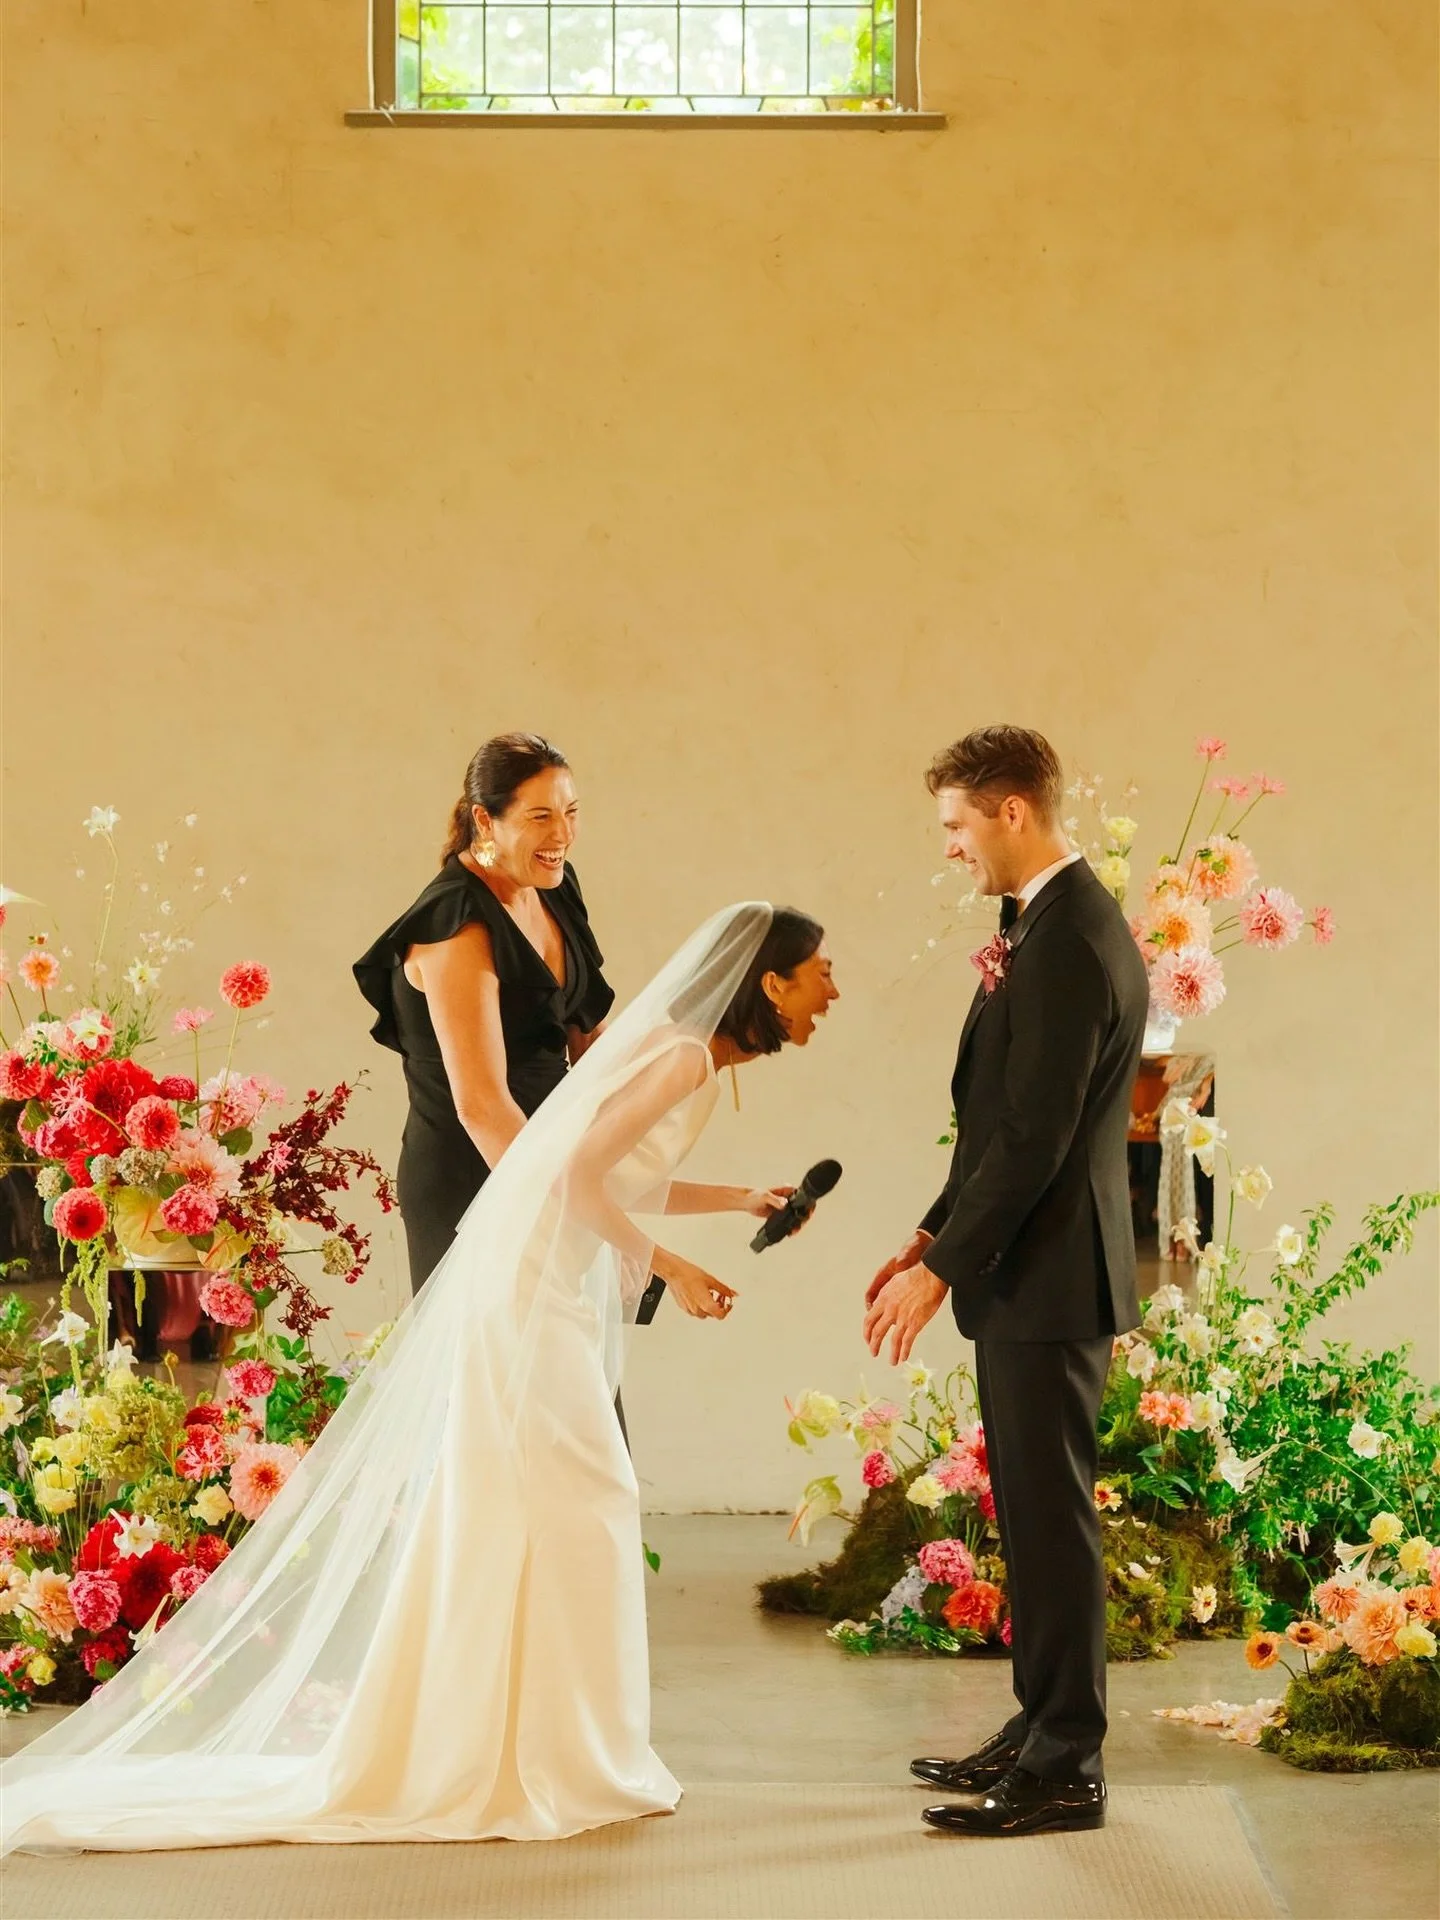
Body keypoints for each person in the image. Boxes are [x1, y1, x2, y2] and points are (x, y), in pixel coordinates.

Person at [1, 905, 838, 1853]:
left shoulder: (689, 1060)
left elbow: (608, 1173)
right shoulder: (683, 1057)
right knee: (575, 1499)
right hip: (531, 1291)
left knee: (537, 1506)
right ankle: (530, 1757)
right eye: (820, 971)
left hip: (543, 1281)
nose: (833, 990)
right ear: (769, 983)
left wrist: (739, 1199)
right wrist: (672, 1265)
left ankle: (541, 1747)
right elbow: (564, 1176)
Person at [863, 726, 1147, 1838]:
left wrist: (942, 1272)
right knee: (1028, 1519)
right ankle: (1037, 1729)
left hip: (1051, 1275)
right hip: (1024, 1269)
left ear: (1012, 812)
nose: (949, 849)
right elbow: (995, 1124)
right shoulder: (1035, 926)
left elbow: (1036, 1138)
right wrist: (929, 1232)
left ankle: (1068, 1763)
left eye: (955, 825)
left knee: (1052, 1519)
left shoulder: (1072, 938)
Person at [354, 732, 616, 1296]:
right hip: (476, 1175)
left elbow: (588, 1042)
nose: (563, 835)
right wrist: (566, 1216)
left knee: (575, 1379)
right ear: (485, 819)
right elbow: (482, 1108)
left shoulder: (554, 886)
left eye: (571, 813)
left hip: (548, 1168)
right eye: (541, 816)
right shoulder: (457, 923)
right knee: (495, 1377)